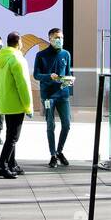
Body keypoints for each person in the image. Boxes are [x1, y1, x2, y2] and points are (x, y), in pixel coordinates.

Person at [0, 31, 33, 179]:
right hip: (16, 102)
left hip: (4, 100)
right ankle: (2, 166)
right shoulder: (17, 59)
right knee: (13, 137)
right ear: (19, 42)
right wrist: (28, 105)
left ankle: (12, 163)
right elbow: (23, 85)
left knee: (10, 134)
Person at [34, 27, 73, 167]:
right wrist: (48, 76)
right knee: (50, 125)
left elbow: (67, 72)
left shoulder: (66, 54)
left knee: (67, 124)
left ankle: (59, 151)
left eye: (61, 38)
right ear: (50, 39)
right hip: (48, 96)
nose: (60, 40)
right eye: (57, 38)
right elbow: (36, 75)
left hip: (63, 94)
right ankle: (52, 155)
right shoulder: (41, 55)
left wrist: (69, 80)